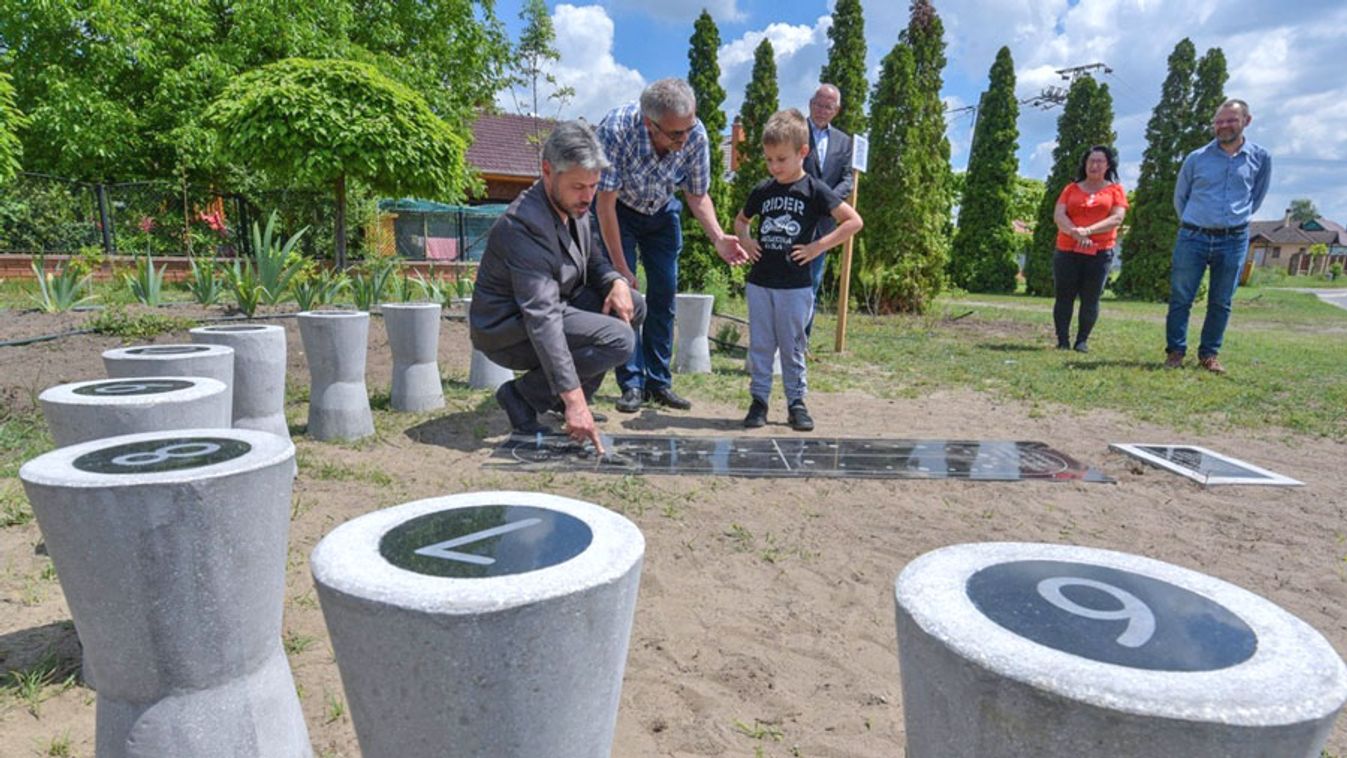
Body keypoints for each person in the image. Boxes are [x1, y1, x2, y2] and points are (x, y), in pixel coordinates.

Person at [470, 121, 644, 455]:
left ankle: (554, 401)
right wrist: (575, 399)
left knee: (633, 304)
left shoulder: (574, 206)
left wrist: (616, 281)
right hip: (508, 329)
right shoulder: (524, 226)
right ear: (547, 171)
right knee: (619, 339)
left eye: (593, 186)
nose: (588, 196)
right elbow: (542, 318)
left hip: (555, 308)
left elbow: (594, 262)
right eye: (579, 186)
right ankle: (522, 397)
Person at [594, 77, 747, 414]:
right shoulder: (615, 130)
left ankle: (659, 382)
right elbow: (603, 205)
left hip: (663, 212)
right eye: (676, 134)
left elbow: (696, 194)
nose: (685, 138)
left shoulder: (696, 135)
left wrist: (719, 238)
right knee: (628, 298)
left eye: (689, 128)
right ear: (651, 124)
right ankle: (631, 383)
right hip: (619, 212)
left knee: (664, 293)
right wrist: (620, 268)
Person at [733, 109, 863, 431]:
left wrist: (818, 246)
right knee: (761, 344)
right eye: (769, 160)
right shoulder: (763, 190)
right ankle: (759, 401)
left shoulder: (815, 190)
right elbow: (740, 221)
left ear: (802, 152)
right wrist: (746, 240)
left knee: (792, 346)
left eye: (781, 159)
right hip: (761, 283)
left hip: (795, 286)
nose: (774, 167)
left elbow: (853, 221)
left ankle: (796, 403)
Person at [1165, 98, 1271, 373]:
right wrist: (1197, 222)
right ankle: (1175, 351)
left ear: (1246, 121)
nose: (1224, 126)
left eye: (1231, 120)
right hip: (1193, 236)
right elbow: (1181, 198)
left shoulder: (1261, 158)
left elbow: (1255, 197)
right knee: (1180, 297)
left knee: (1221, 301)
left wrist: (1233, 220)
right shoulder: (1196, 158)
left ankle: (1209, 354)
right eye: (1219, 121)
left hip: (1233, 239)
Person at [1051, 145, 1128, 353]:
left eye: (1099, 161)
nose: (1094, 165)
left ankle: (1082, 340)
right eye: (1090, 161)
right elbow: (1059, 215)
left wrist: (1088, 231)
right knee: (1064, 295)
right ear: (1084, 164)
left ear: (1108, 165)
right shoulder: (1071, 189)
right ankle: (1062, 340)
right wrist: (1075, 232)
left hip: (1100, 252)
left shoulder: (1115, 190)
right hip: (1067, 249)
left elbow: (1117, 218)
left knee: (1090, 297)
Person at [802, 83, 854, 341]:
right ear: (811, 104)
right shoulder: (795, 132)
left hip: (823, 223)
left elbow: (847, 179)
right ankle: (779, 341)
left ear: (836, 110)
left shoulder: (844, 142)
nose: (822, 110)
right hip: (793, 218)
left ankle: (802, 344)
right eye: (819, 104)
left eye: (828, 106)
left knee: (812, 283)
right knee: (785, 284)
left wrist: (828, 201)